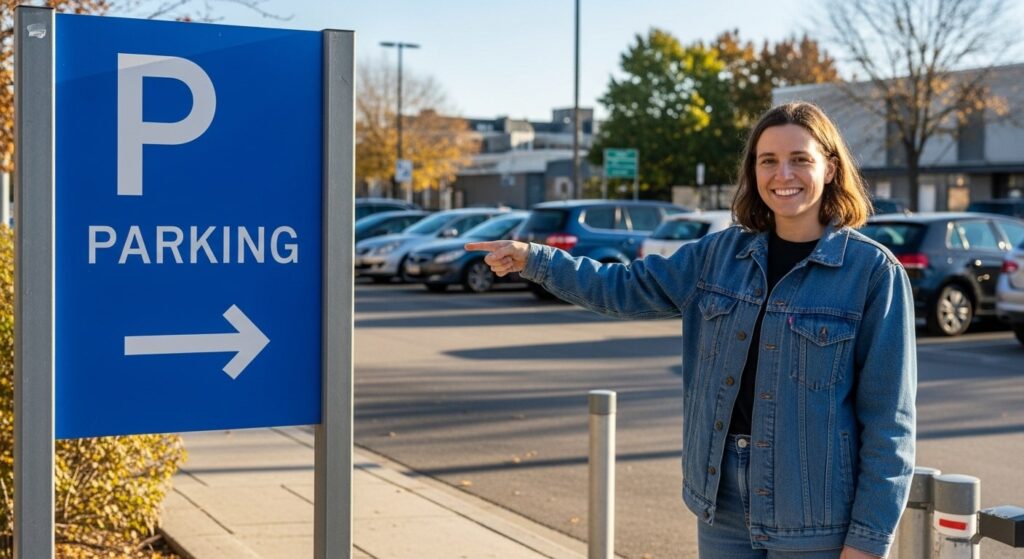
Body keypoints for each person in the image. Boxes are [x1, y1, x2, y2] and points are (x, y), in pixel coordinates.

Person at [466, 102, 916, 559]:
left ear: (831, 168)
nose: (784, 174)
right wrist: (536, 259)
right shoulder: (719, 256)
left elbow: (889, 425)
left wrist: (867, 541)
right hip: (721, 504)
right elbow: (621, 287)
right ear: (753, 171)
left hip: (814, 514)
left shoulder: (873, 273)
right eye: (768, 161)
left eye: (800, 159)